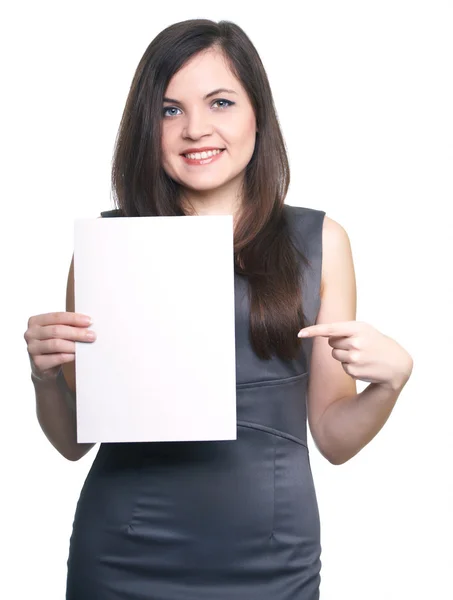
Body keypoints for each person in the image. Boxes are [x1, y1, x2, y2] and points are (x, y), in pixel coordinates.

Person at [24, 18, 414, 600]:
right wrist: (45, 377)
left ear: (258, 112)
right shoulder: (109, 247)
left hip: (272, 557)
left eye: (221, 102)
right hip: (124, 550)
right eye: (169, 110)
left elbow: (333, 437)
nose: (195, 129)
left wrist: (391, 383)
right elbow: (74, 441)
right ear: (146, 127)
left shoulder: (320, 240)